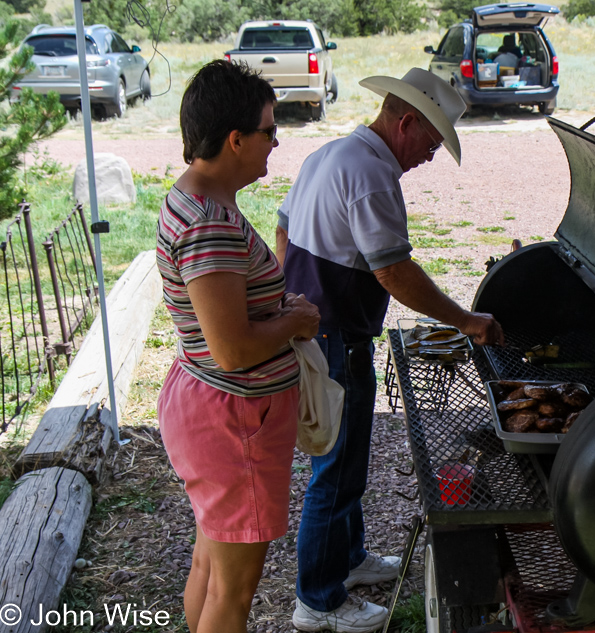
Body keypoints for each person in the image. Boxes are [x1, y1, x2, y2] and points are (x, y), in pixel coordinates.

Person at [275, 68, 505, 633]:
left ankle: (347, 561)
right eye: (429, 143)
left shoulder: (332, 153)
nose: (428, 157)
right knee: (333, 471)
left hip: (318, 331)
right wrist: (468, 321)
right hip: (335, 337)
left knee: (347, 459)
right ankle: (319, 600)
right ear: (404, 121)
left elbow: (282, 225)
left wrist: (290, 293)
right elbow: (394, 272)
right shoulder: (373, 174)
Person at [156, 60, 322, 633]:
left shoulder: (193, 198)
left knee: (210, 561)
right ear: (235, 139)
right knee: (234, 591)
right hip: (235, 423)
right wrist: (297, 323)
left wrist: (277, 303)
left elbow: (223, 315)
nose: (275, 142)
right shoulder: (210, 223)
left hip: (210, 408)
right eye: (270, 130)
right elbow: (232, 349)